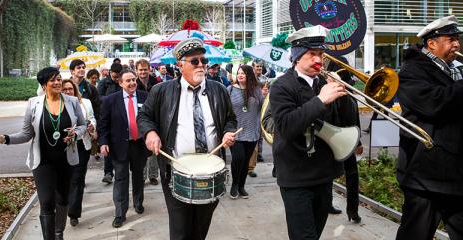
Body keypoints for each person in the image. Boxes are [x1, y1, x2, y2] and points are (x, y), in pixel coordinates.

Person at [138, 37, 238, 240]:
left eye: (203, 60)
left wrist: (228, 132)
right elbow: (144, 117)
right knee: (180, 228)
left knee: (201, 226)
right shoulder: (161, 91)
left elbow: (230, 119)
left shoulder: (218, 90)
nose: (201, 65)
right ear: (179, 65)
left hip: (210, 170)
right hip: (175, 170)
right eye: (194, 61)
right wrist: (150, 132)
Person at [270, 25, 352, 240]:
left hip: (324, 174)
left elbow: (342, 123)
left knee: (314, 234)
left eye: (321, 54)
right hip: (296, 176)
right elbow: (287, 127)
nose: (319, 60)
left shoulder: (324, 83)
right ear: (297, 57)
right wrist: (320, 100)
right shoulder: (281, 86)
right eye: (312, 54)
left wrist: (343, 94)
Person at [0, 67, 86, 240]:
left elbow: (83, 126)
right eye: (52, 80)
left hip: (66, 160)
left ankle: (58, 232)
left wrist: (76, 133)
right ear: (43, 84)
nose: (57, 82)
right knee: (46, 202)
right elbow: (26, 134)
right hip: (42, 162)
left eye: (59, 79)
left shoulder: (71, 101)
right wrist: (4, 138)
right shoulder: (34, 103)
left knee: (62, 200)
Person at [395, 16, 463, 239]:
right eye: (451, 39)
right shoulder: (411, 71)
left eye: (458, 39)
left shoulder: (455, 70)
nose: (457, 45)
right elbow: (436, 104)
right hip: (424, 176)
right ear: (432, 43)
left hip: (454, 174)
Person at [97, 69, 149, 228]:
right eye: (128, 81)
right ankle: (120, 212)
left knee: (139, 176)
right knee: (120, 178)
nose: (132, 83)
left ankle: (138, 202)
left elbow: (151, 118)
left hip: (139, 144)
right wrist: (103, 142)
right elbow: (103, 124)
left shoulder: (145, 97)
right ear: (120, 83)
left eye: (134, 80)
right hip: (119, 145)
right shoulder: (110, 100)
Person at [325, 56, 363, 222]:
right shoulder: (327, 89)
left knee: (352, 175)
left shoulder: (349, 88)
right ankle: (327, 204)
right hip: (332, 139)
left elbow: (355, 116)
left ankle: (353, 210)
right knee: (327, 175)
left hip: (349, 138)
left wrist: (358, 141)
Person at [61, 79, 97, 227]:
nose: (68, 91)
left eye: (70, 89)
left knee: (78, 179)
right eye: (65, 89)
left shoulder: (85, 103)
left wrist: (91, 126)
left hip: (82, 145)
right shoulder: (55, 105)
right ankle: (63, 205)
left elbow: (92, 118)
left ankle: (73, 213)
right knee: (65, 179)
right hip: (63, 146)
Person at [227, 65, 264, 199]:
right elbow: (225, 110)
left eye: (243, 73)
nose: (240, 75)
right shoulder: (230, 89)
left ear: (249, 75)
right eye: (238, 73)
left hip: (252, 131)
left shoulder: (256, 91)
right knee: (238, 158)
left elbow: (262, 108)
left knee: (246, 161)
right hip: (235, 132)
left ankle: (241, 186)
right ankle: (234, 185)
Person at [134, 58, 160, 185]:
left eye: (145, 69)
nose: (143, 72)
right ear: (136, 71)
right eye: (140, 70)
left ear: (149, 70)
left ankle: (153, 175)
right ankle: (142, 175)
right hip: (140, 119)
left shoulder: (156, 82)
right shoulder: (134, 84)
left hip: (155, 118)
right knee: (141, 150)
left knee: (155, 149)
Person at [97, 62, 123, 184]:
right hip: (107, 115)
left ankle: (119, 171)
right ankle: (108, 172)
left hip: (120, 117)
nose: (117, 79)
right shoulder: (103, 83)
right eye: (115, 76)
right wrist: (112, 99)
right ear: (110, 73)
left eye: (119, 76)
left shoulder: (122, 81)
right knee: (107, 145)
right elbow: (99, 98)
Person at [69, 60, 100, 124]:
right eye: (78, 68)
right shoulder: (65, 87)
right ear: (72, 71)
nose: (82, 69)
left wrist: (94, 125)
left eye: (83, 67)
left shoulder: (91, 88)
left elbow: (97, 109)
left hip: (86, 124)